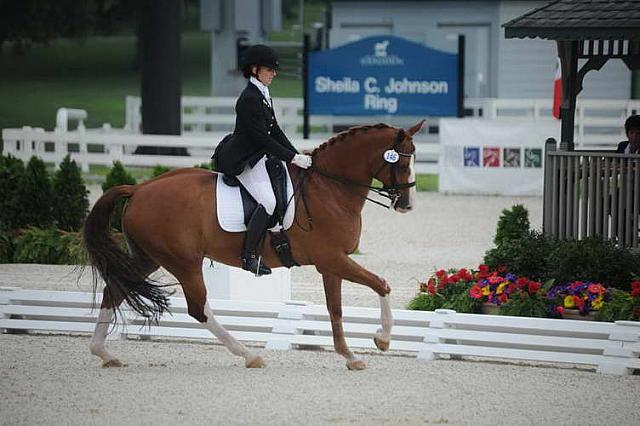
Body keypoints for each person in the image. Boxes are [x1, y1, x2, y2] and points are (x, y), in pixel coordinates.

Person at [213, 44, 312, 276]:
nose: (274, 74)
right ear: (255, 69)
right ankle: (248, 256)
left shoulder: (263, 94)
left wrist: (296, 155)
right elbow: (261, 138)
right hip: (242, 159)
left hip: (257, 155)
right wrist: (292, 157)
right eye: (269, 69)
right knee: (268, 201)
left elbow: (274, 130)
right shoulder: (249, 98)